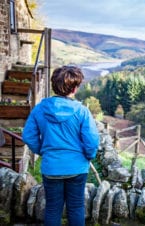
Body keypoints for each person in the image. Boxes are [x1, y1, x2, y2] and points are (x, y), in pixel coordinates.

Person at [22, 66, 100, 226]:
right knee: (77, 207)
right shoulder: (82, 111)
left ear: (54, 85)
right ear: (75, 87)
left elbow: (28, 136)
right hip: (77, 168)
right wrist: (88, 156)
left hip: (52, 167)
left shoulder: (40, 109)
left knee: (52, 209)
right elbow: (92, 141)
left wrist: (43, 151)